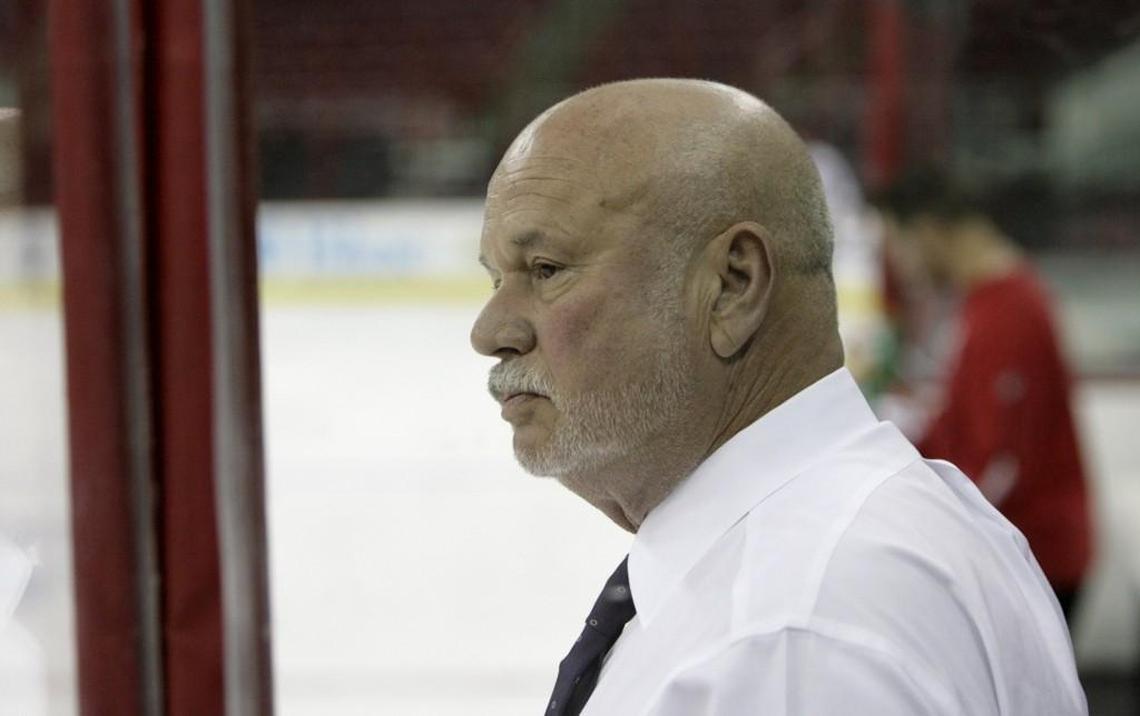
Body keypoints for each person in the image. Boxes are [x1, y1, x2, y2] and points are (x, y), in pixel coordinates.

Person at [470, 79, 1086, 715]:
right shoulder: (869, 550)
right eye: (494, 280)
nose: (489, 333)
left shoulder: (787, 642)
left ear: (734, 284)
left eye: (545, 270)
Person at [872, 170, 1093, 624]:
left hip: (1034, 557)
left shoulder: (1008, 314)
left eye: (900, 244)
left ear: (931, 231)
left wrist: (929, 530)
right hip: (1015, 550)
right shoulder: (981, 303)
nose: (900, 265)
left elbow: (999, 467)